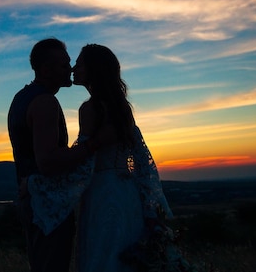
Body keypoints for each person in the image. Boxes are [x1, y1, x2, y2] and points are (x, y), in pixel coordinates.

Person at [27, 44, 173, 272]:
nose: (74, 68)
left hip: (101, 194)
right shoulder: (122, 107)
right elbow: (142, 161)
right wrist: (150, 207)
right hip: (128, 194)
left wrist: (37, 186)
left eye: (80, 63)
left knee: (102, 258)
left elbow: (83, 163)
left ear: (93, 69)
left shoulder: (90, 109)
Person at [7, 38, 103, 272]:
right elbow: (48, 162)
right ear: (45, 69)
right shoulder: (45, 102)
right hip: (46, 203)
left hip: (34, 198)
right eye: (63, 65)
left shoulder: (22, 97)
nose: (70, 69)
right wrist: (93, 146)